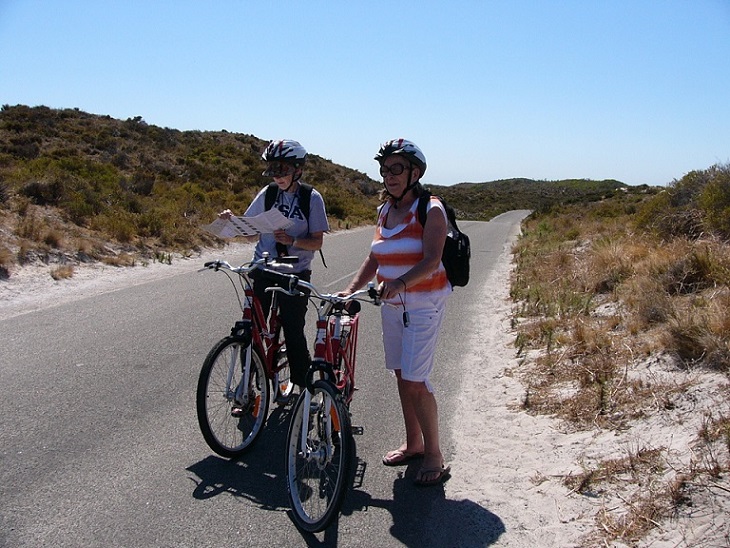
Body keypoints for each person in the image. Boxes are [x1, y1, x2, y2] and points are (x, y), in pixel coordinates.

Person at [340, 139, 452, 486]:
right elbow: (374, 258)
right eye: (386, 169)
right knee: (403, 376)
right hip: (393, 305)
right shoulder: (384, 211)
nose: (389, 175)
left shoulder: (430, 208)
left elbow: (432, 260)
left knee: (417, 380)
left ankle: (434, 453)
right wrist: (352, 289)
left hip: (423, 303)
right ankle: (414, 444)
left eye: (397, 169)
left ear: (414, 173)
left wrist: (400, 283)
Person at [220, 139, 329, 396]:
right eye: (273, 170)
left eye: (283, 170)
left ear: (298, 170)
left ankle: (304, 389)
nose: (277, 176)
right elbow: (249, 234)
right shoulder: (268, 194)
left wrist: (293, 241)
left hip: (294, 275)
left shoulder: (311, 198)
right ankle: (248, 381)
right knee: (254, 330)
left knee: (292, 331)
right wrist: (231, 221)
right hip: (264, 270)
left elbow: (317, 242)